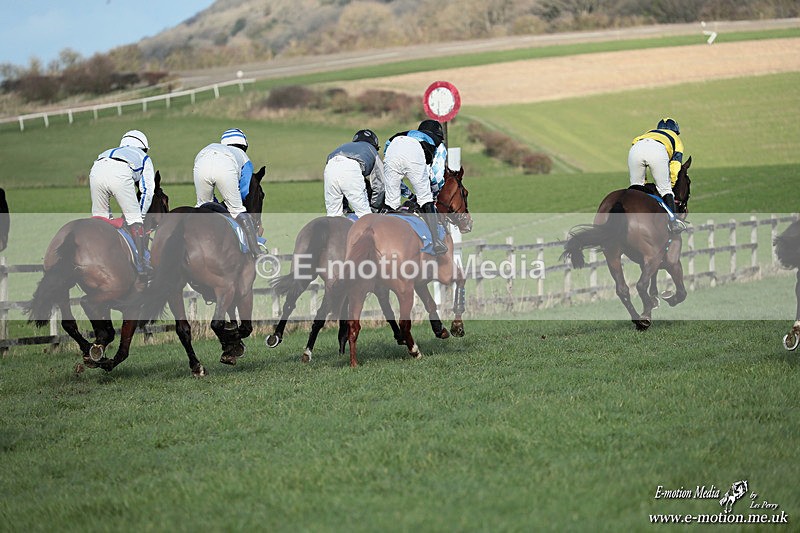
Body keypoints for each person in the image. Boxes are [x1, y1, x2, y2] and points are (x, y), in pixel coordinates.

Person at [89, 129, 156, 279]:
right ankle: (142, 265)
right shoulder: (144, 157)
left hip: (96, 169)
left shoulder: (109, 151)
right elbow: (147, 191)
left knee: (101, 219)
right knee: (134, 220)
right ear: (142, 147)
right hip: (120, 172)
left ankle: (98, 258)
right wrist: (140, 216)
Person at [193, 128, 261, 257]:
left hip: (201, 159)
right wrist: (230, 206)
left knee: (203, 207)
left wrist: (217, 205)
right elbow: (245, 191)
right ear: (244, 145)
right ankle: (257, 252)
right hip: (225, 164)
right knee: (237, 209)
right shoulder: (243, 156)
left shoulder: (217, 147)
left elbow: (211, 204)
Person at [382, 120, 448, 254]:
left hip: (392, 147)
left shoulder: (407, 134)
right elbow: (437, 176)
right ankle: (436, 242)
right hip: (413, 152)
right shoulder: (438, 144)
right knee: (425, 199)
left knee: (391, 203)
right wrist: (433, 195)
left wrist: (409, 195)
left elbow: (387, 155)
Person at [628, 117, 686, 233]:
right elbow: (675, 166)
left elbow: (635, 143)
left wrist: (643, 183)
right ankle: (673, 223)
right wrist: (672, 184)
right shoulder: (676, 139)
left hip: (635, 149)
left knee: (636, 188)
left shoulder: (649, 132)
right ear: (675, 131)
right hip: (657, 150)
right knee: (665, 189)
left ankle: (631, 220)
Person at [324, 129, 381, 218]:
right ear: (374, 144)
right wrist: (375, 207)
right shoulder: (372, 150)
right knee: (365, 215)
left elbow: (339, 176)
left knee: (333, 215)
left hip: (330, 166)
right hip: (351, 168)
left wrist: (345, 208)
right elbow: (380, 184)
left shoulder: (345, 145)